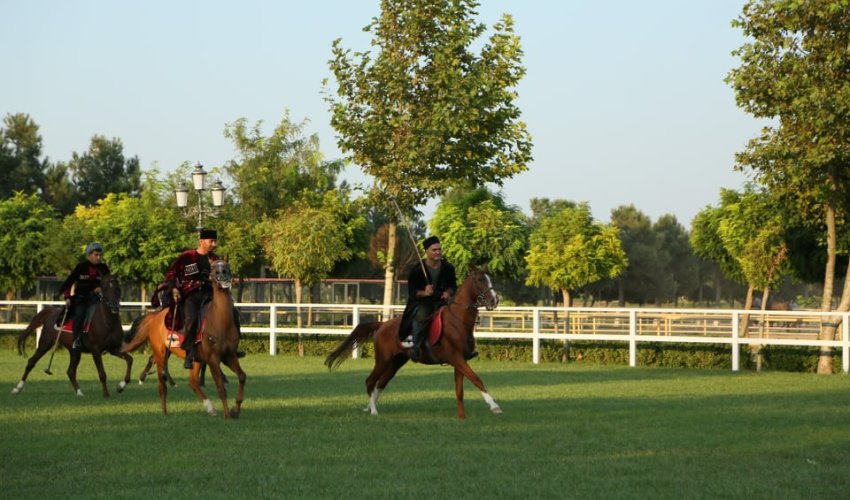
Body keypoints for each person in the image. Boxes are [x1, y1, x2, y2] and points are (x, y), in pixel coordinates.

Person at [164, 228, 219, 369]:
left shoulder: (215, 259)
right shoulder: (187, 256)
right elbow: (172, 273)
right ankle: (189, 352)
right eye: (211, 241)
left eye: (215, 241)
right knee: (192, 318)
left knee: (227, 313)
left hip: (209, 293)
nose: (214, 244)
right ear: (201, 241)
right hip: (191, 294)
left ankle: (229, 347)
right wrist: (174, 288)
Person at [400, 236, 457, 358]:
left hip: (442, 301)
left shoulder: (448, 268)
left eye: (439, 249)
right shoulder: (417, 270)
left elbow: (453, 285)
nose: (438, 252)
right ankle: (414, 347)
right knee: (421, 316)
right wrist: (424, 293)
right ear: (426, 252)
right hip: (423, 303)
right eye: (434, 250)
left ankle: (462, 346)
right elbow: (412, 292)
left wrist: (449, 292)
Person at [58, 243, 110, 351]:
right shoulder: (81, 267)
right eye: (96, 255)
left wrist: (101, 288)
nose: (99, 257)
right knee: (80, 315)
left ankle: (109, 340)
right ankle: (76, 340)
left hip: (97, 299)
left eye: (100, 255)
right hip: (81, 299)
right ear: (89, 255)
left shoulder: (104, 268)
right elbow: (70, 281)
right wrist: (67, 297)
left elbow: (109, 283)